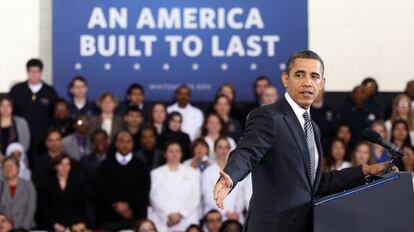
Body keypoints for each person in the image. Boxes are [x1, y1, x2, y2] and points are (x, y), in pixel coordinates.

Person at [213, 50, 391, 231]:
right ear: (285, 79)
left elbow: (316, 184)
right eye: (300, 75)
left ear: (322, 83)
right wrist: (231, 176)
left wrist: (365, 170)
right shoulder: (269, 116)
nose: (307, 82)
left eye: (314, 76)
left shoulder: (313, 128)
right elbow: (247, 152)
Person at [95, 130, 150, 230]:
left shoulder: (142, 166)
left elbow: (144, 190)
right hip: (109, 219)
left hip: (135, 218)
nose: (125, 145)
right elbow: (100, 189)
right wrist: (116, 205)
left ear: (133, 144)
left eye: (128, 141)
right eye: (122, 141)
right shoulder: (105, 165)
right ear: (116, 143)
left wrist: (128, 205)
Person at [9, 59, 58, 161]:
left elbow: (54, 115)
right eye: (31, 71)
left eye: (37, 71)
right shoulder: (17, 90)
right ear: (27, 72)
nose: (34, 74)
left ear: (41, 72)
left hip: (42, 137)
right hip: (20, 135)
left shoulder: (50, 92)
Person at [148, 141, 201, 232]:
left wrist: (181, 214)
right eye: (171, 151)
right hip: (163, 220)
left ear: (181, 154)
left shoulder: (193, 173)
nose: (174, 154)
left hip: (186, 219)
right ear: (165, 154)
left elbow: (195, 196)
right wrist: (167, 215)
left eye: (177, 151)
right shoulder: (155, 173)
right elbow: (153, 196)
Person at [37, 154, 85, 231]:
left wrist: (77, 223)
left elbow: (81, 206)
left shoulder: (77, 183)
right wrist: (54, 224)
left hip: (73, 226)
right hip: (52, 226)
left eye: (67, 165)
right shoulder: (46, 183)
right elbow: (44, 208)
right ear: (55, 166)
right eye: (61, 164)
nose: (64, 168)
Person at [202, 137, 245, 222]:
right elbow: (208, 196)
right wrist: (226, 213)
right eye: (220, 147)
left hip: (236, 217)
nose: (224, 150)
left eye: (226, 147)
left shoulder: (236, 170)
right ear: (214, 150)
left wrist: (237, 211)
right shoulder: (207, 172)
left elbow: (241, 193)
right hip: (216, 217)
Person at [79, 129, 109, 228]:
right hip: (91, 202)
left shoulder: (113, 159)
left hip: (110, 203)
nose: (99, 143)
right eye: (96, 140)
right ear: (92, 143)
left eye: (102, 140)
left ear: (107, 141)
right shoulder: (85, 161)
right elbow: (82, 183)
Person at [0, 157, 36, 230]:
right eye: (5, 167)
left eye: (11, 166)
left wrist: (23, 228)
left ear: (18, 168)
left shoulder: (28, 185)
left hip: (25, 227)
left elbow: (31, 208)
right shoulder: (1, 185)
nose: (8, 169)